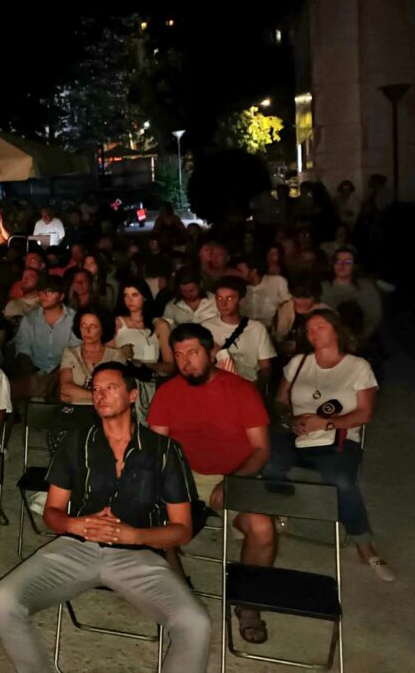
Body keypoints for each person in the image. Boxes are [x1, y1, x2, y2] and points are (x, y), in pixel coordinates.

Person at [0, 363, 209, 673]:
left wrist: (135, 536)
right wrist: (72, 524)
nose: (100, 395)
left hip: (137, 554)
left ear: (133, 395)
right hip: (77, 546)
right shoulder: (77, 442)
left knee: (195, 624)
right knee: (3, 600)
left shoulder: (163, 450)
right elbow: (52, 512)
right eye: (95, 389)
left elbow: (182, 530)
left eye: (110, 387)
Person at [148, 323, 274, 644]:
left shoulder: (242, 390)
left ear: (211, 352)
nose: (186, 361)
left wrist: (234, 480)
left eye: (193, 353)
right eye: (178, 355)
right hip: (184, 474)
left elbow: (261, 449)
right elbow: (157, 448)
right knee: (153, 519)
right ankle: (179, 596)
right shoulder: (168, 393)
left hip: (236, 472)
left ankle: (247, 603)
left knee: (262, 528)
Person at [264, 309, 393, 581]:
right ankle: (282, 512)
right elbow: (279, 401)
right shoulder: (299, 362)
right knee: (269, 463)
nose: (313, 334)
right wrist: (291, 419)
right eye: (309, 330)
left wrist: (326, 424)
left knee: (341, 480)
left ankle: (363, 543)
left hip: (339, 437)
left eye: (320, 327)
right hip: (296, 434)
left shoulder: (358, 366)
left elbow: (365, 413)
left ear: (336, 330)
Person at [112, 278, 174, 423]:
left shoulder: (159, 325)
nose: (130, 300)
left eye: (135, 295)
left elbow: (170, 366)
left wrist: (143, 364)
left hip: (150, 383)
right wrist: (121, 354)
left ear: (144, 296)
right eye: (126, 295)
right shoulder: (117, 323)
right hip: (123, 381)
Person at [12, 275, 79, 400]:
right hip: (35, 372)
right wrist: (32, 375)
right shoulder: (30, 319)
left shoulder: (74, 319)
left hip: (65, 374)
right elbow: (23, 350)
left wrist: (52, 378)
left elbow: (74, 354)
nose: (44, 295)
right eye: (41, 291)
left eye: (49, 292)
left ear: (61, 296)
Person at [204, 276, 276, 387]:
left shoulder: (257, 328)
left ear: (241, 300)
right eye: (219, 298)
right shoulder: (206, 327)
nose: (223, 304)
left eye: (229, 298)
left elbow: (266, 367)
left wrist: (256, 386)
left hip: (248, 384)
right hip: (219, 385)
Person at [59, 306, 124, 405]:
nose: (87, 331)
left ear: (103, 328)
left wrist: (78, 394)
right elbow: (65, 388)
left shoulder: (115, 356)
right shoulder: (70, 353)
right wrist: (100, 395)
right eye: (83, 325)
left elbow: (116, 392)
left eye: (93, 326)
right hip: (75, 412)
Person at [320, 247, 382, 346]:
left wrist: (361, 336)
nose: (342, 265)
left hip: (361, 336)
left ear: (355, 266)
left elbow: (374, 316)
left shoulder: (366, 286)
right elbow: (323, 315)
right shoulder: (324, 287)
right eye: (338, 261)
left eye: (348, 262)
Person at [272, 276, 331, 359]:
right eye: (298, 297)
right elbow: (277, 337)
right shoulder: (285, 309)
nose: (302, 302)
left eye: (307, 298)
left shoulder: (325, 313)